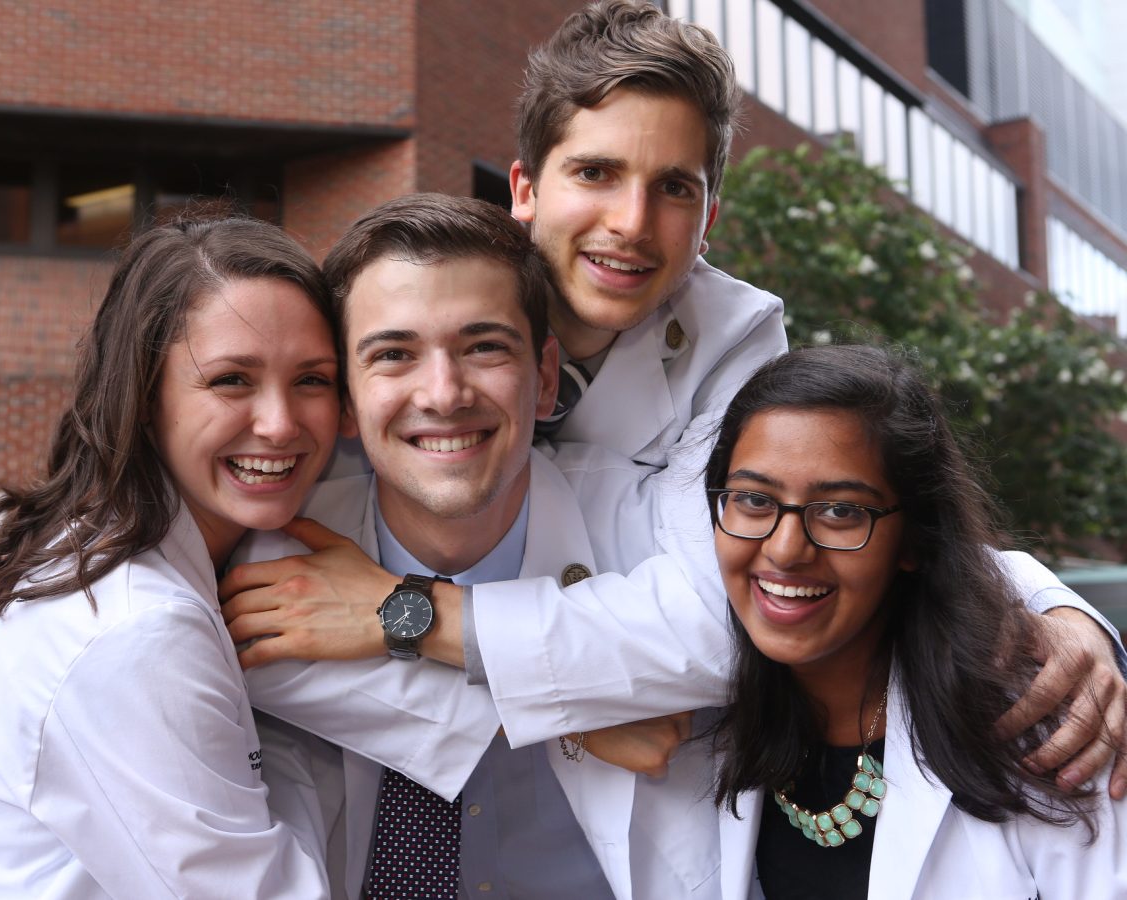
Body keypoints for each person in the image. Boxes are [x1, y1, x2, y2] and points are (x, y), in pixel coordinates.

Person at [223, 0, 1127, 798]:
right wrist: (552, 714)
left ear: (709, 220)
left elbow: (730, 610)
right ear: (525, 190)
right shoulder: (402, 308)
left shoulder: (735, 345)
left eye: (673, 189)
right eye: (595, 174)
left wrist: (1054, 604)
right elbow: (239, 614)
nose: (629, 222)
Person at [233, 194, 711, 898]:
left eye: (484, 346)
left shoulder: (646, 524)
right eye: (394, 354)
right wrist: (570, 717)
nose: (444, 393)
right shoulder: (275, 541)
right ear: (342, 397)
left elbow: (725, 639)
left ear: (545, 376)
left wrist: (406, 615)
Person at [0, 218, 339, 897]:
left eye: (313, 380)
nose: (280, 423)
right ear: (144, 397)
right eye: (232, 379)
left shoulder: (149, 555)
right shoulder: (133, 628)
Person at [706, 345, 1126, 898]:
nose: (785, 550)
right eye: (754, 499)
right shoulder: (694, 721)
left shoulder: (1052, 731)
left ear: (913, 539)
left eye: (841, 511)